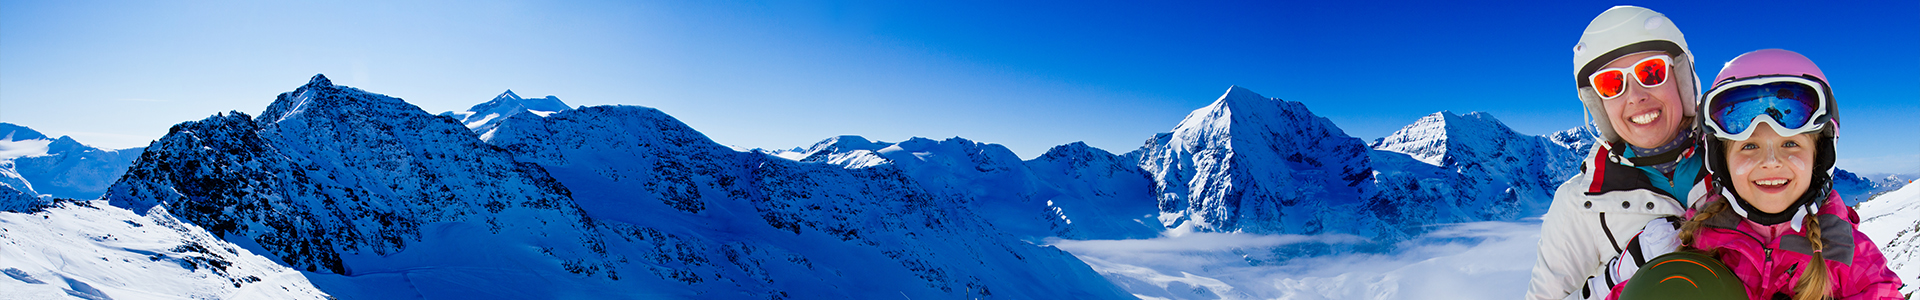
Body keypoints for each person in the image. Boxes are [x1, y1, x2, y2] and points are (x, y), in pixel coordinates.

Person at [1647, 49, 1900, 300]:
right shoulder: (1695, 239)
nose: (1770, 162)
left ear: (1820, 156)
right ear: (1721, 160)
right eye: (1749, 146)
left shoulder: (1851, 258)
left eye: (1790, 144)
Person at [1527, 6, 1710, 300]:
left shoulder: (1742, 168)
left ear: (1682, 79)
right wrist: (1617, 276)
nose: (1635, 96)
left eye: (1652, 72)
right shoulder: (1578, 205)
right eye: (1611, 84)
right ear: (1598, 105)